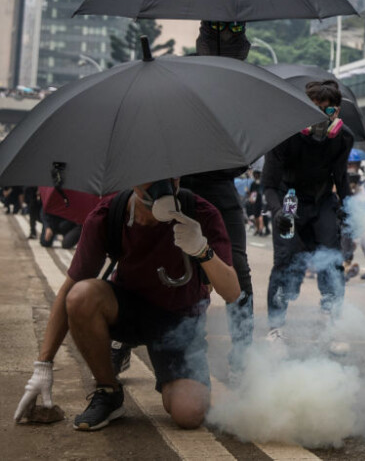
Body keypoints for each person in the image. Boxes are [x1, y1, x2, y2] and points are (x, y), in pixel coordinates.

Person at [13, 179, 239, 431]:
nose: (163, 183)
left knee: (189, 413)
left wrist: (202, 250)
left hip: (180, 320)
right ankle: (108, 389)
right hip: (128, 308)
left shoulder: (201, 212)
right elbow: (69, 289)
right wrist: (43, 365)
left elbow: (232, 292)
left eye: (171, 174)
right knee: (81, 296)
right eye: (151, 175)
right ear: (132, 179)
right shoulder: (109, 214)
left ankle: (140, 360)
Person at [179, 20, 255, 377]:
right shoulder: (181, 80)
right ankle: (121, 345)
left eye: (234, 30)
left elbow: (246, 157)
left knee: (237, 267)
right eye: (217, 29)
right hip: (178, 183)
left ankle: (243, 350)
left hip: (220, 186)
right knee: (143, 262)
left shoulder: (246, 93)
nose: (226, 36)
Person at [262, 79, 353, 351]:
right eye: (314, 109)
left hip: (322, 200)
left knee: (332, 260)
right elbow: (268, 184)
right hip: (289, 200)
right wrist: (279, 211)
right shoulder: (283, 135)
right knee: (286, 260)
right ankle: (276, 328)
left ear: (336, 112)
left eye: (328, 111)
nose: (321, 117)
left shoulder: (343, 138)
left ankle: (330, 324)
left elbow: (341, 179)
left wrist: (350, 212)